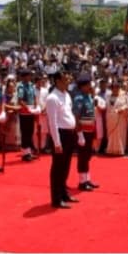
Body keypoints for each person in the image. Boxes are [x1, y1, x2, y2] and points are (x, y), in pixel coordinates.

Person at [46, 70, 79, 209]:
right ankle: (56, 198)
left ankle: (64, 193)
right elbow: (52, 122)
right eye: (65, 80)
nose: (68, 82)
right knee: (58, 167)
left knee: (66, 166)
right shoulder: (52, 98)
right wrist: (57, 142)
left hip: (69, 134)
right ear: (58, 81)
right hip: (60, 134)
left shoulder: (66, 95)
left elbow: (69, 114)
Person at [72, 74, 100, 191]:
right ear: (82, 86)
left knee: (88, 155)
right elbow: (77, 117)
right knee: (83, 157)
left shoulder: (88, 96)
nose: (90, 86)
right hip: (83, 131)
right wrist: (79, 135)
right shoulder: (79, 98)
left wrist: (93, 96)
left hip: (90, 130)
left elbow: (91, 112)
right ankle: (82, 181)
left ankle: (87, 179)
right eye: (88, 84)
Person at [16, 69, 41, 162]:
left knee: (30, 132)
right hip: (24, 112)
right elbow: (20, 100)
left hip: (31, 111)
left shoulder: (31, 86)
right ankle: (24, 153)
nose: (28, 77)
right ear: (23, 77)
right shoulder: (21, 86)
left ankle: (29, 152)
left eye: (29, 75)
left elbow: (34, 97)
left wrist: (36, 106)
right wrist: (28, 108)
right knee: (25, 133)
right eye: (26, 75)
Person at [105, 81, 128, 156]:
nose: (115, 89)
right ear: (111, 88)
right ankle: (110, 149)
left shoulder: (124, 96)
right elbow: (107, 107)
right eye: (114, 87)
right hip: (111, 118)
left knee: (120, 134)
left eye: (117, 87)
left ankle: (120, 150)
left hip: (120, 119)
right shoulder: (108, 96)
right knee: (112, 134)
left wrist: (122, 109)